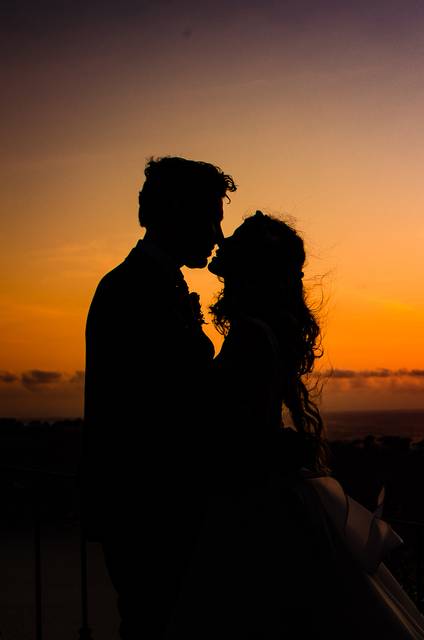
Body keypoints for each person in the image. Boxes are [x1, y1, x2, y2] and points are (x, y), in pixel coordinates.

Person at [166, 211, 424, 639]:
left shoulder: (250, 334)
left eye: (233, 240)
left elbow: (243, 432)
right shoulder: (265, 329)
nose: (221, 243)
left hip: (251, 503)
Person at [81, 156, 236, 640]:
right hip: (150, 513)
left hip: (155, 509)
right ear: (174, 213)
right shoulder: (130, 291)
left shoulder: (152, 284)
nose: (218, 234)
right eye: (210, 217)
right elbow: (162, 410)